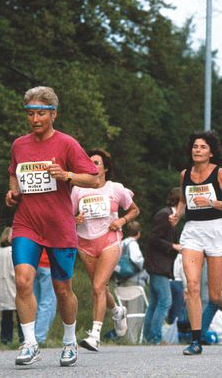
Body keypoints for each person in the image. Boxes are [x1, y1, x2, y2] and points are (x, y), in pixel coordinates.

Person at [5, 86, 99, 366]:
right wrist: (12, 193)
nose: (35, 119)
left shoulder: (67, 144)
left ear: (53, 114)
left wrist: (67, 174)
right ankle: (30, 343)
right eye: (31, 114)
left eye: (41, 114)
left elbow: (93, 179)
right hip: (27, 223)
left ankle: (69, 341)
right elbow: (14, 174)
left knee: (62, 289)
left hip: (59, 226)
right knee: (23, 280)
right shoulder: (19, 145)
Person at [170, 131, 222, 356]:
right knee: (191, 286)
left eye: (202, 147)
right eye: (195, 147)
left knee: (215, 295)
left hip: (217, 231)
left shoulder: (219, 173)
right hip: (193, 232)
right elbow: (183, 199)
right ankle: (195, 340)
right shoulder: (185, 174)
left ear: (211, 152)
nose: (197, 150)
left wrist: (211, 201)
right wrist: (177, 215)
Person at [72, 149, 139, 351]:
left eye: (97, 163)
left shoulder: (115, 188)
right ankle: (117, 311)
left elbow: (134, 210)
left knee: (98, 286)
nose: (92, 166)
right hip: (84, 243)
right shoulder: (77, 190)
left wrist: (122, 220)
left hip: (109, 240)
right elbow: (67, 215)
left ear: (105, 168)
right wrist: (75, 220)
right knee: (99, 287)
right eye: (89, 162)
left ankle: (95, 335)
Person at [143, 188, 182, 344]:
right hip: (158, 265)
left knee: (154, 302)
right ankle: (155, 337)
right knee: (165, 301)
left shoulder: (170, 216)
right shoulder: (165, 215)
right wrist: (173, 246)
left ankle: (148, 336)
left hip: (158, 265)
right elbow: (153, 238)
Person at [0, 227, 21, 345]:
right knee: (20, 314)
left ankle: (5, 339)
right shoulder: (11, 251)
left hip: (1, 287)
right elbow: (14, 271)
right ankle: (23, 338)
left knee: (6, 315)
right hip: (12, 286)